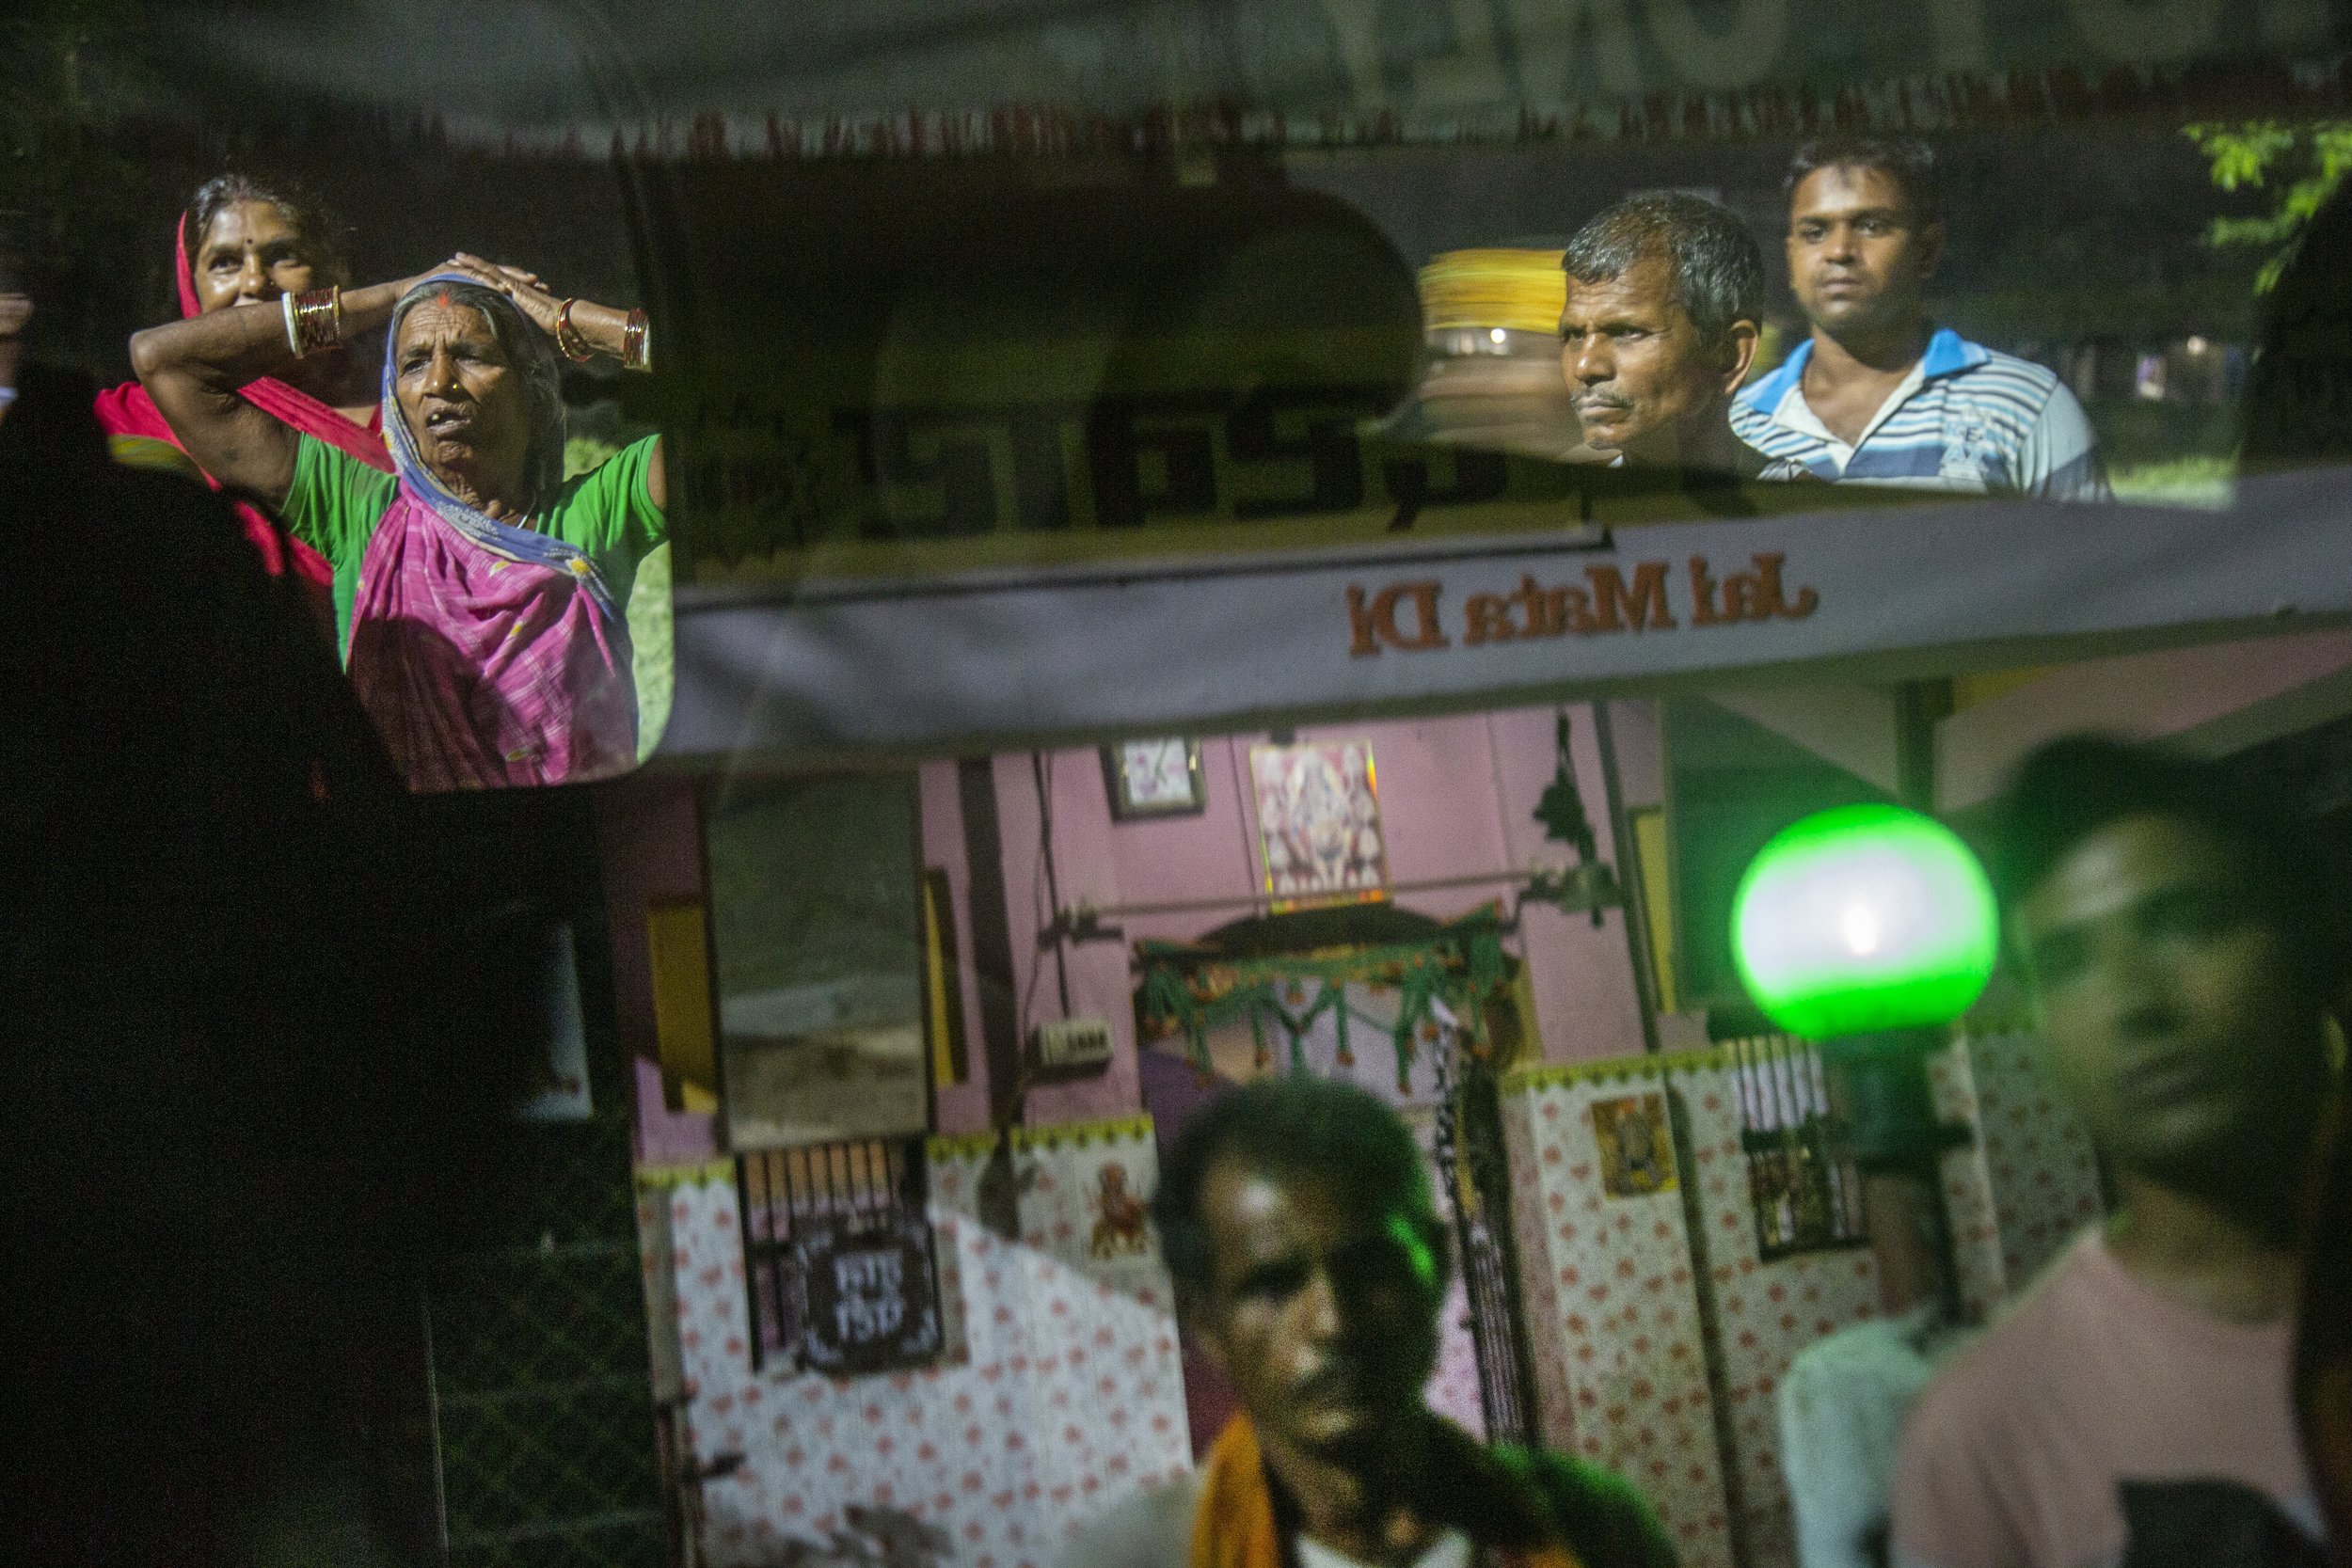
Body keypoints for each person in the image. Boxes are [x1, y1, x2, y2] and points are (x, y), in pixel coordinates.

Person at [1888, 736, 2341, 1568]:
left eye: (2185, 922)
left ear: (2312, 951)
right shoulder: (1988, 1429)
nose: (2133, 1001)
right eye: (2065, 963)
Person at [1057, 1074, 1677, 1568]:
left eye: (1370, 1266)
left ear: (1434, 1266)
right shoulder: (1135, 1557)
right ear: (1208, 1324)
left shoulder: (1595, 1530)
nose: (1332, 1321)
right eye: (1274, 1284)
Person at [133, 255, 663, 790]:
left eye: (470, 355)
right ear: (395, 397)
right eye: (412, 363)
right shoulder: (358, 508)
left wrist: (567, 323)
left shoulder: (600, 508)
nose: (439, 382)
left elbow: (733, 388)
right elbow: (161, 361)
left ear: (532, 388)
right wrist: (392, 296)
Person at [1732, 137, 2109, 499]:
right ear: (1791, 256)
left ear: (1927, 250)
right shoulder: (1739, 425)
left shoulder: (2025, 408)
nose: (1839, 251)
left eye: (1871, 226)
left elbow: (2097, 563)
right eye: (1815, 232)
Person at [93, 174, 395, 624]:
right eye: (224, 263)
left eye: (282, 257)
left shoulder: (409, 412)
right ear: (189, 285)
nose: (254, 282)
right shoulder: (131, 420)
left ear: (334, 274)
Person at [1557, 191, 1768, 477]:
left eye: (1628, 332)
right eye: (1574, 335)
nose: (1585, 366)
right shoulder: (1563, 503)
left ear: (1729, 356)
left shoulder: (1810, 513)